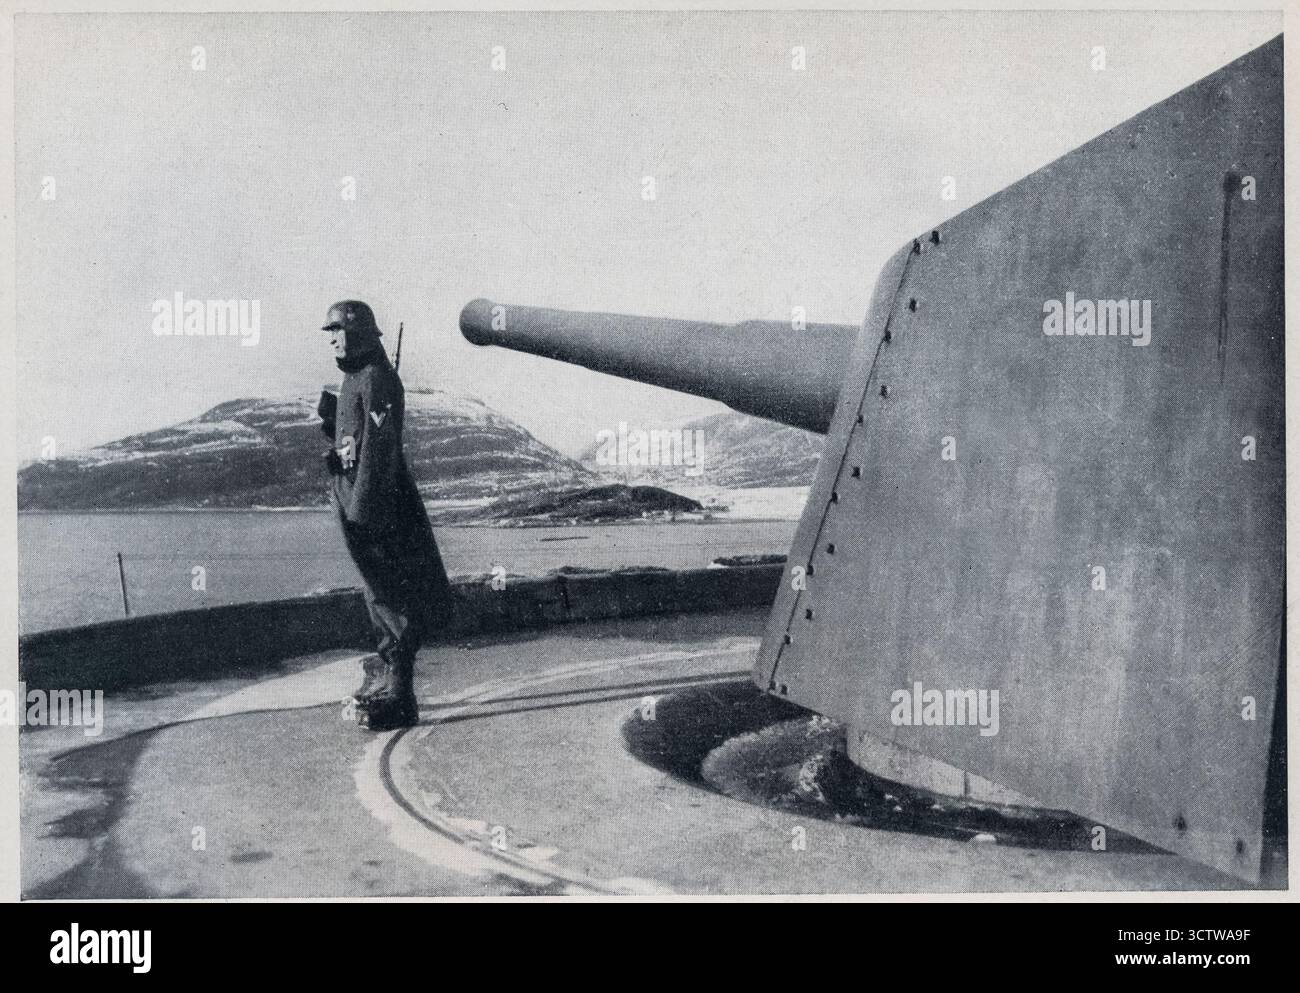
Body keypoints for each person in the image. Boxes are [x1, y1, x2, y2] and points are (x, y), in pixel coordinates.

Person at [318, 300, 453, 730]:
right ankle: (390, 678)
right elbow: (357, 440)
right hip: (356, 495)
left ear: (358, 332)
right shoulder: (357, 379)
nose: (333, 339)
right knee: (377, 589)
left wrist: (362, 508)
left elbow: (378, 450)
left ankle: (401, 695)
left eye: (338, 331)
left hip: (375, 502)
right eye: (331, 332)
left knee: (391, 592)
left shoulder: (376, 378)